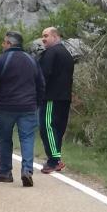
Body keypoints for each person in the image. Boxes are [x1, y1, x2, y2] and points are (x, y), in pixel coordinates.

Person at [0, 31, 45, 187]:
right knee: (27, 138)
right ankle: (27, 170)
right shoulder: (31, 60)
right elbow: (41, 84)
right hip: (28, 106)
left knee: (5, 138)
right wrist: (37, 102)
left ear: (9, 43)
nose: (2, 45)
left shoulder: (1, 60)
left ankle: (5, 172)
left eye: (4, 42)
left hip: (6, 105)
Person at [38, 26, 74, 174]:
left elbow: (43, 75)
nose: (43, 39)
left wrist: (38, 93)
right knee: (58, 129)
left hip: (51, 97)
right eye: (42, 36)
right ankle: (56, 158)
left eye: (46, 36)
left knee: (47, 127)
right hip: (65, 97)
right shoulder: (67, 53)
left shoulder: (51, 53)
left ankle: (54, 160)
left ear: (55, 36)